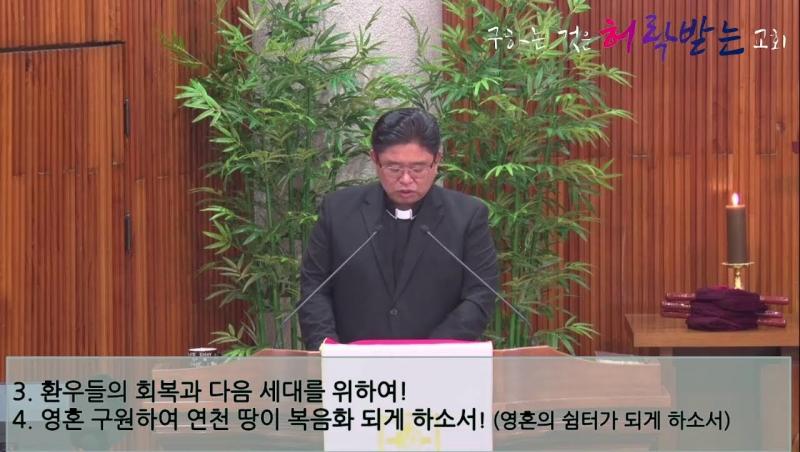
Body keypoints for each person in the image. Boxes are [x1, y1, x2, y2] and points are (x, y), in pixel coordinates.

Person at [298, 107, 499, 350]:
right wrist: (329, 348)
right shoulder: (338, 210)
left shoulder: (467, 216)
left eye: (417, 169)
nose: (405, 179)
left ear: (437, 160)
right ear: (375, 159)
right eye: (393, 168)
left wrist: (431, 352)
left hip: (439, 362)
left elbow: (480, 294)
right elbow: (314, 287)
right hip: (352, 363)